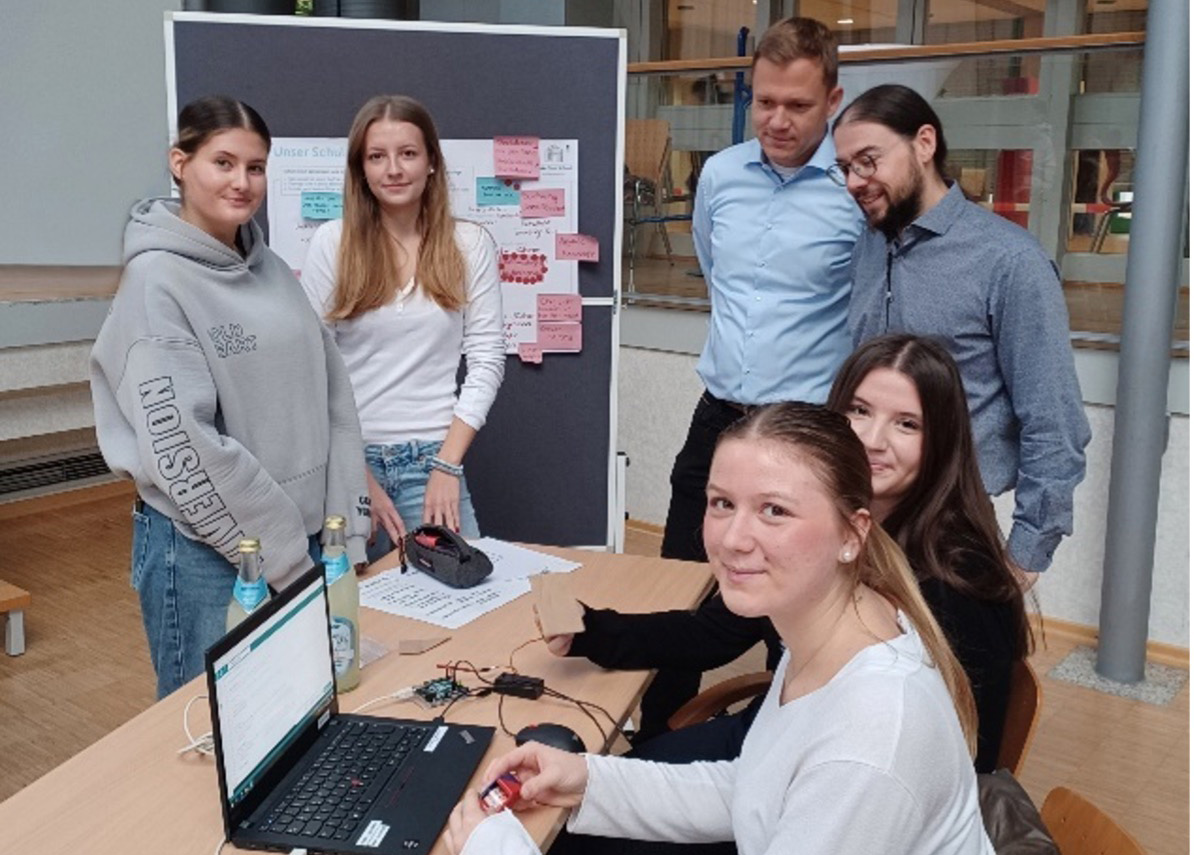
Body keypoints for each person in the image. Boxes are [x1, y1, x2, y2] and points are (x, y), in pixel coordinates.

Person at [447, 404, 996, 855]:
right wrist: (588, 780)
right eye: (722, 503)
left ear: (852, 534)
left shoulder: (869, 740)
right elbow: (753, 789)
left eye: (774, 510)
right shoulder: (826, 626)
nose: (733, 538)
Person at [549, 335, 1030, 777]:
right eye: (859, 411)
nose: (872, 440)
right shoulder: (818, 525)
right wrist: (592, 631)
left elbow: (963, 761)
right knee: (597, 793)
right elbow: (716, 632)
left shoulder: (960, 580)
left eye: (907, 424)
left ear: (941, 442)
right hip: (776, 736)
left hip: (833, 775)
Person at [90, 96, 370, 699]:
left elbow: (334, 399)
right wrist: (290, 560)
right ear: (180, 164)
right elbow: (186, 448)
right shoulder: (155, 283)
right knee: (210, 726)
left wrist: (341, 534)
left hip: (296, 545)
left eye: (256, 167)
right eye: (223, 162)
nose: (242, 182)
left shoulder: (272, 270)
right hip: (205, 553)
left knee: (292, 714)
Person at [655, 14, 864, 733]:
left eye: (797, 105)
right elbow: (718, 273)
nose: (777, 120)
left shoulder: (854, 190)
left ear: (832, 101)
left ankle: (787, 739)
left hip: (806, 429)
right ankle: (657, 730)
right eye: (764, 101)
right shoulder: (719, 175)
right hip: (718, 413)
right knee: (680, 581)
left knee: (795, 600)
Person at [832, 84, 1090, 577]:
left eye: (868, 161)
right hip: (863, 515)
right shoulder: (870, 245)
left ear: (924, 143)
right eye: (844, 168)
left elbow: (1055, 423)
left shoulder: (1010, 262)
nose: (854, 182)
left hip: (950, 533)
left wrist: (1025, 556)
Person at [301, 95, 504, 551]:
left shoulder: (469, 244)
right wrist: (356, 474)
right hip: (346, 459)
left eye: (408, 153)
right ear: (361, 169)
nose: (393, 169)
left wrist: (447, 466)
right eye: (377, 157)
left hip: (433, 458)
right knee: (352, 593)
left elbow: (487, 359)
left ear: (431, 161)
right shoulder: (332, 243)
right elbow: (312, 369)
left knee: (460, 587)